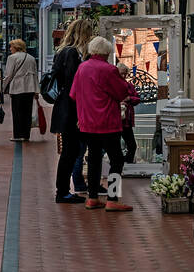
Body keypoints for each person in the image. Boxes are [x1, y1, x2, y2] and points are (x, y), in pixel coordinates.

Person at [69, 36, 133, 212]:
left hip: (87, 122)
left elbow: (73, 94)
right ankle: (112, 198)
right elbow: (121, 92)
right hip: (107, 122)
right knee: (117, 159)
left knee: (94, 159)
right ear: (106, 53)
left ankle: (92, 197)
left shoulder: (82, 68)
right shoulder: (108, 70)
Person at [50, 17, 94, 204]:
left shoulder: (63, 52)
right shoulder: (72, 54)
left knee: (71, 149)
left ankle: (64, 189)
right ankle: (62, 191)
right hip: (70, 109)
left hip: (64, 107)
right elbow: (74, 83)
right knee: (70, 149)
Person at [2, 38, 40, 142]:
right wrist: (37, 90)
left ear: (16, 47)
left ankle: (18, 135)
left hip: (17, 88)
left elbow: (9, 75)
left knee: (17, 112)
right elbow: (35, 75)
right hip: (30, 88)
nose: (10, 49)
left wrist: (3, 87)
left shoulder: (12, 58)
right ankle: (26, 135)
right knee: (27, 112)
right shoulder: (31, 58)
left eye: (11, 47)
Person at [116, 62, 141, 164]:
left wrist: (129, 98)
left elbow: (137, 99)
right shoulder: (112, 85)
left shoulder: (129, 86)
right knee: (115, 147)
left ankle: (127, 164)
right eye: (121, 73)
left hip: (127, 121)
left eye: (125, 74)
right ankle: (119, 164)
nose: (123, 76)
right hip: (115, 121)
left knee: (132, 145)